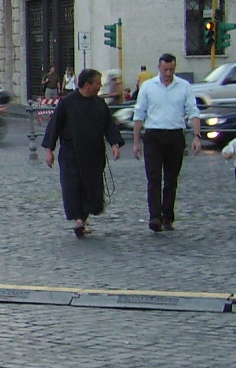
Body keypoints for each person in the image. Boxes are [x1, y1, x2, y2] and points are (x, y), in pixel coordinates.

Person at [42, 68, 122, 237]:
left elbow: (109, 126)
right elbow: (54, 126)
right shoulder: (67, 103)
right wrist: (49, 149)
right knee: (73, 187)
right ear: (87, 84)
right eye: (98, 83)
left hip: (94, 154)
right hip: (71, 153)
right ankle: (78, 220)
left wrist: (114, 144)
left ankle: (83, 219)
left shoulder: (99, 104)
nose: (100, 86)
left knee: (91, 187)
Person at [132, 53, 201, 232]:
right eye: (165, 70)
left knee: (171, 179)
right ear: (159, 68)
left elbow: (193, 111)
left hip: (175, 135)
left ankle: (168, 216)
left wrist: (196, 136)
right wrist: (136, 141)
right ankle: (155, 216)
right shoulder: (148, 86)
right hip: (153, 135)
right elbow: (139, 114)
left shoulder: (184, 86)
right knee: (153, 178)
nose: (168, 73)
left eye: (171, 70)